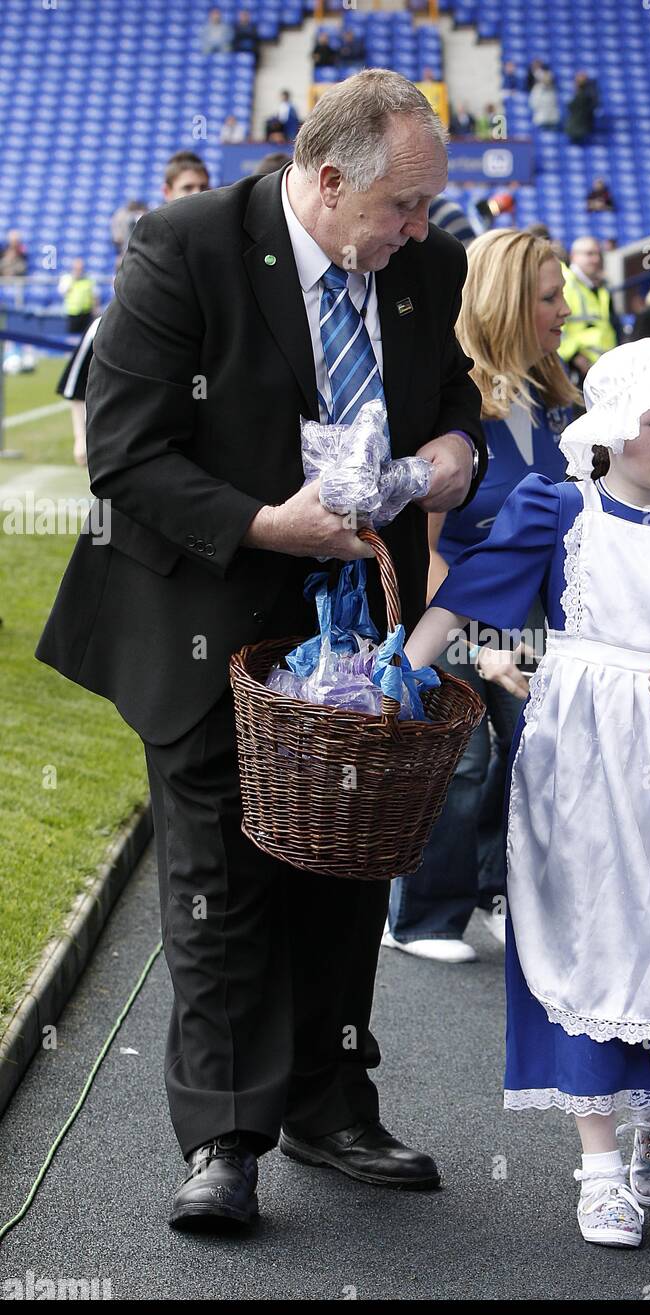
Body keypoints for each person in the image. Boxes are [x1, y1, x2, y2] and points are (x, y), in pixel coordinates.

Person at [36, 69, 486, 1232]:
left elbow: (453, 407)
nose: (421, 230)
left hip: (358, 635)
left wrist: (453, 454)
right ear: (327, 180)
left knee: (343, 869)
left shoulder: (425, 271)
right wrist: (262, 524)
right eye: (403, 207)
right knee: (218, 886)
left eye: (427, 209)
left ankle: (331, 1105)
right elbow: (127, 455)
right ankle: (224, 1138)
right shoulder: (186, 244)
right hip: (203, 613)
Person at [403, 339, 650, 1248]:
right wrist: (401, 674)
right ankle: (597, 1165)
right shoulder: (559, 511)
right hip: (575, 755)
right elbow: (472, 595)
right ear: (611, 431)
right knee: (586, 933)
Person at [384, 229, 579, 963]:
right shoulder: (454, 408)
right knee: (460, 760)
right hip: (453, 609)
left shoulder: (558, 400)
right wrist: (480, 644)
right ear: (504, 304)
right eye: (549, 297)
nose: (565, 309)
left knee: (531, 753)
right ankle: (422, 918)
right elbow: (425, 549)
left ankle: (497, 892)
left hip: (531, 617)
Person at [56, 153, 210, 469]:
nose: (196, 194)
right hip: (143, 448)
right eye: (187, 187)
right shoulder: (151, 242)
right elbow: (81, 377)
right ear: (167, 192)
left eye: (203, 186)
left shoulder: (219, 245)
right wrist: (80, 437)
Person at [558, 236, 619, 387]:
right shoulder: (566, 284)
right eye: (589, 254)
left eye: (598, 254)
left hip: (602, 370)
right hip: (577, 371)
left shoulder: (600, 288)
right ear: (574, 256)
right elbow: (558, 328)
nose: (596, 259)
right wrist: (576, 357)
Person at [564, 72, 597, 144]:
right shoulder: (583, 96)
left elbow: (571, 107)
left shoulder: (583, 97)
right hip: (578, 128)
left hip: (579, 129)